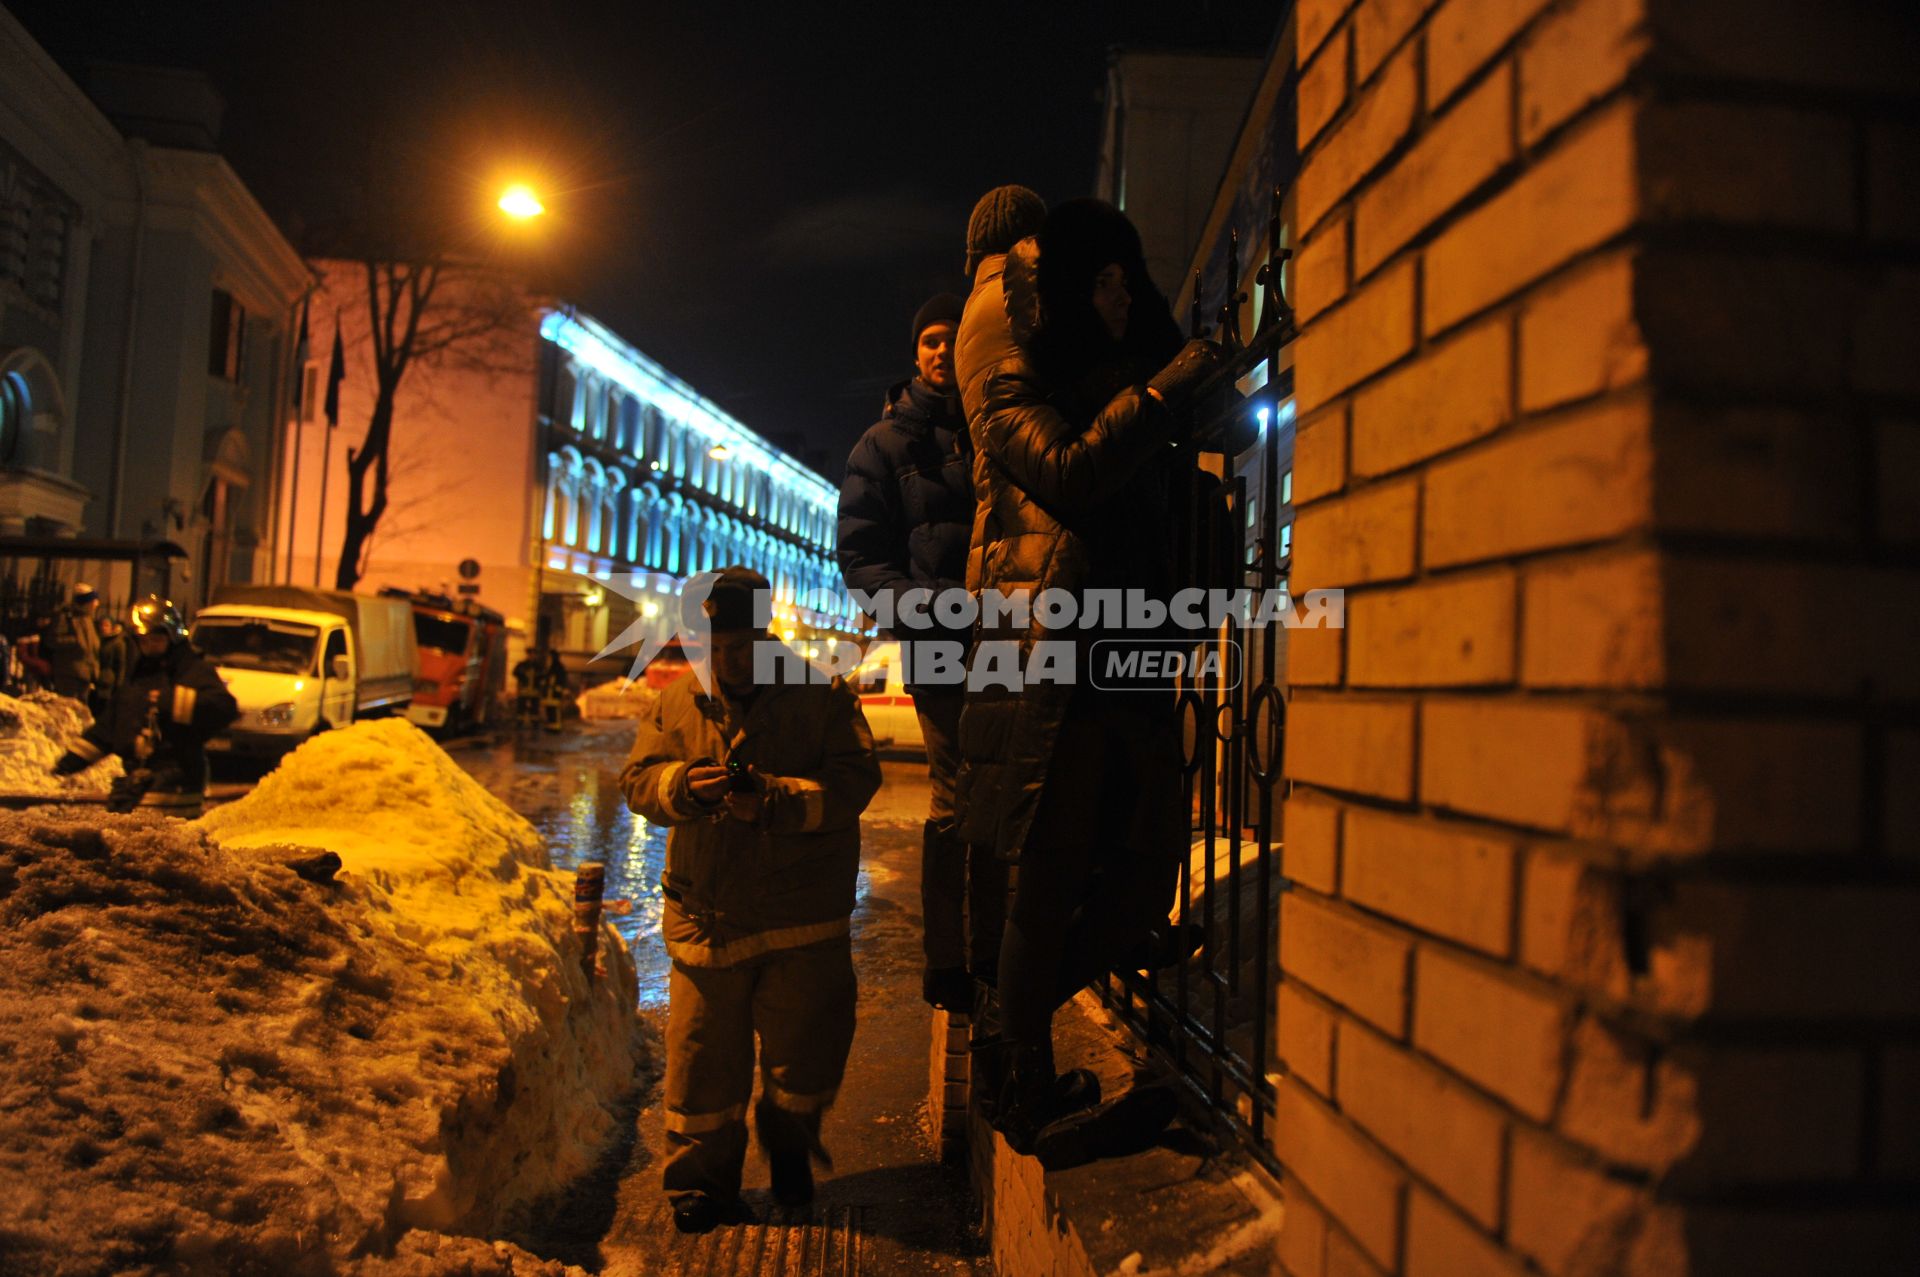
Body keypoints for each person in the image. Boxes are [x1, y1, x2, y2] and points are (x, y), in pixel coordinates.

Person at [958, 198, 1224, 1156]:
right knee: (1051, 874)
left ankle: (1005, 1034)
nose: (1118, 299)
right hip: (1053, 662)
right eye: (1098, 282)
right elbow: (1066, 474)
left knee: (1147, 879)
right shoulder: (1011, 387)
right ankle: (1020, 1070)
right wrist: (1154, 404)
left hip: (1137, 659)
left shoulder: (1129, 376)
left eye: (1127, 280)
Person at [620, 566, 881, 1234]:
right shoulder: (679, 700)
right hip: (706, 918)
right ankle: (699, 1188)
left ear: (766, 636)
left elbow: (855, 781)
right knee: (701, 1064)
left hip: (800, 919)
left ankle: (789, 1139)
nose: (725, 660)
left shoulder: (821, 695)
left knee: (805, 1054)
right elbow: (639, 780)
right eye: (712, 645)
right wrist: (684, 786)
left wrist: (775, 800)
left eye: (738, 645)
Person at [836, 292, 979, 1013]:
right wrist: (925, 611)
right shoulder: (884, 445)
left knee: (1015, 794)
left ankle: (1000, 947)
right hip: (941, 647)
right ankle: (948, 960)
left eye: (953, 338)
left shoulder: (998, 427)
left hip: (1016, 641)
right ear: (914, 354)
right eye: (929, 339)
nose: (940, 350)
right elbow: (861, 561)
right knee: (956, 798)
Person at [52, 595, 239, 818]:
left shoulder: (192, 670)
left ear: (173, 638)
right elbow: (111, 726)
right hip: (138, 782)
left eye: (156, 640)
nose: (150, 647)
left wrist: (173, 702)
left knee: (153, 844)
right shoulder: (139, 676)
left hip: (177, 783)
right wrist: (73, 760)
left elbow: (224, 707)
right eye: (144, 641)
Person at [48, 583, 102, 703]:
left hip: (85, 673)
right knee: (67, 707)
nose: (97, 604)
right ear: (86, 602)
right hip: (69, 673)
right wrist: (77, 642)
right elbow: (54, 640)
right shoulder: (66, 616)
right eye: (94, 600)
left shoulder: (87, 619)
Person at [539, 648, 569, 733]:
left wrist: (559, 689)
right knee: (550, 710)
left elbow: (561, 679)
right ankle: (551, 727)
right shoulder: (552, 667)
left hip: (555, 693)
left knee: (555, 711)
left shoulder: (558, 667)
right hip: (550, 693)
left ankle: (556, 728)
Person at [511, 648, 543, 728]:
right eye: (530, 654)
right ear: (527, 655)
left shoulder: (538, 666)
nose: (532, 656)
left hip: (534, 690)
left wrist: (538, 678)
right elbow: (515, 672)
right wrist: (521, 676)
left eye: (533, 654)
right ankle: (520, 723)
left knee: (534, 708)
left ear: (535, 655)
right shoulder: (522, 665)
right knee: (521, 707)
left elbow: (543, 675)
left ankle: (534, 723)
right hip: (524, 690)